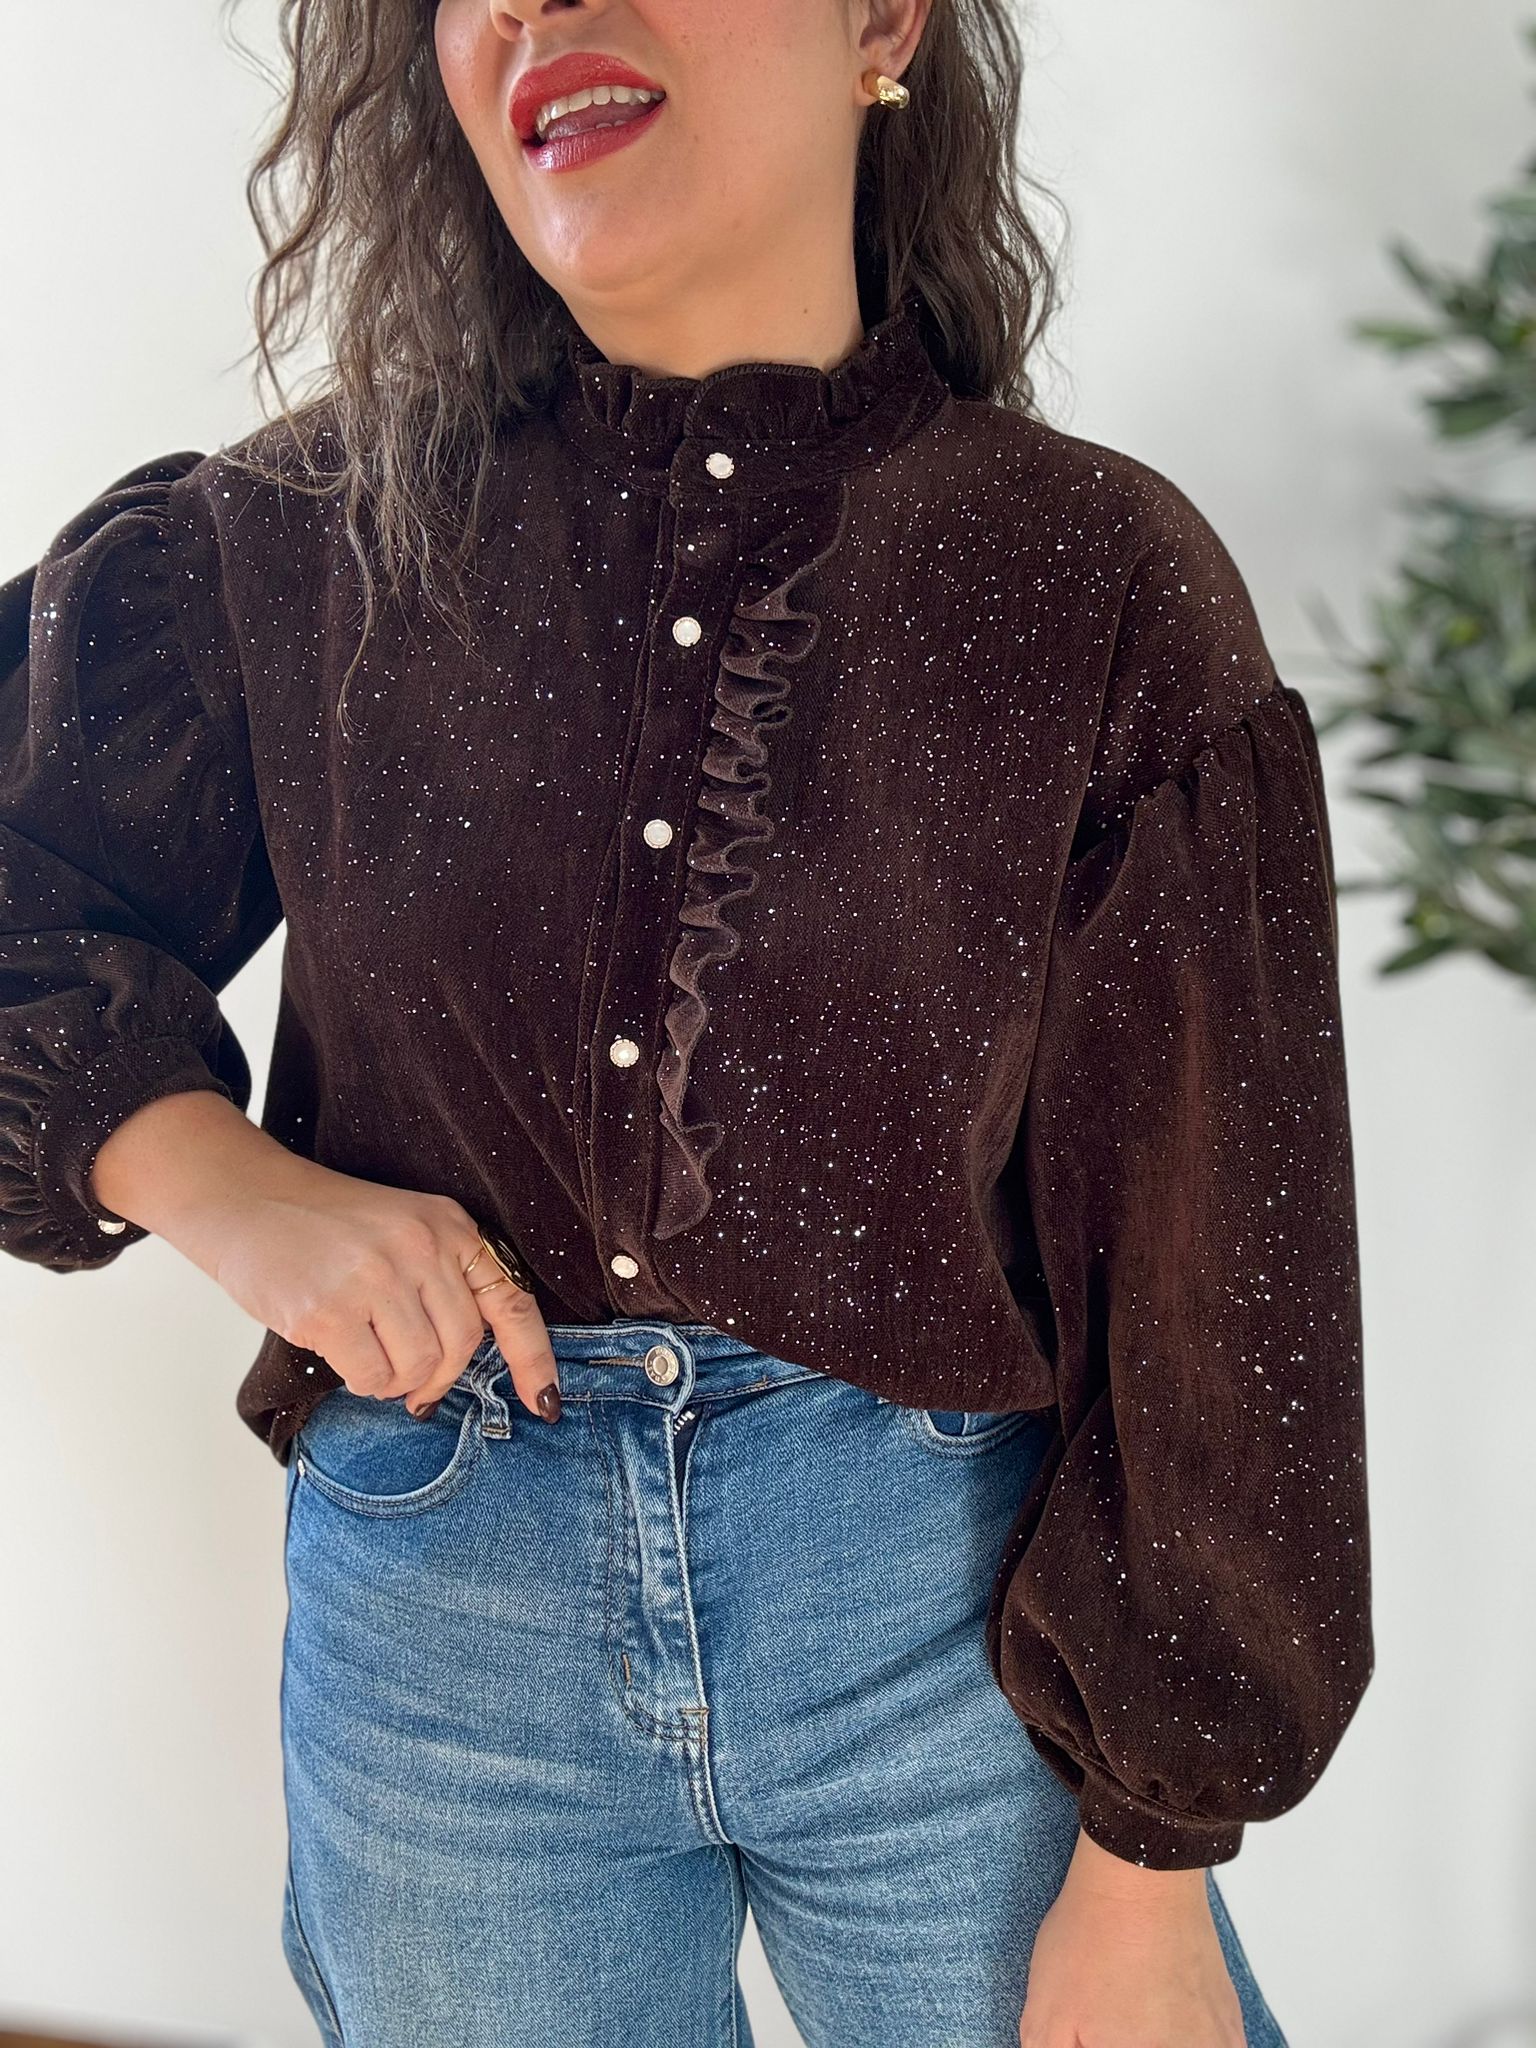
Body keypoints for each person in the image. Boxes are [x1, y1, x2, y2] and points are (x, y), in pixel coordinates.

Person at [0, 1, 1373, 2042]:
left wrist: (1151, 1864)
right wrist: (232, 1188)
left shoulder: (1092, 579)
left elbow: (1221, 1271)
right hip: (443, 1620)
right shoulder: (294, 538)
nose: (538, 7)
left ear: (880, 20)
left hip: (950, 1624)